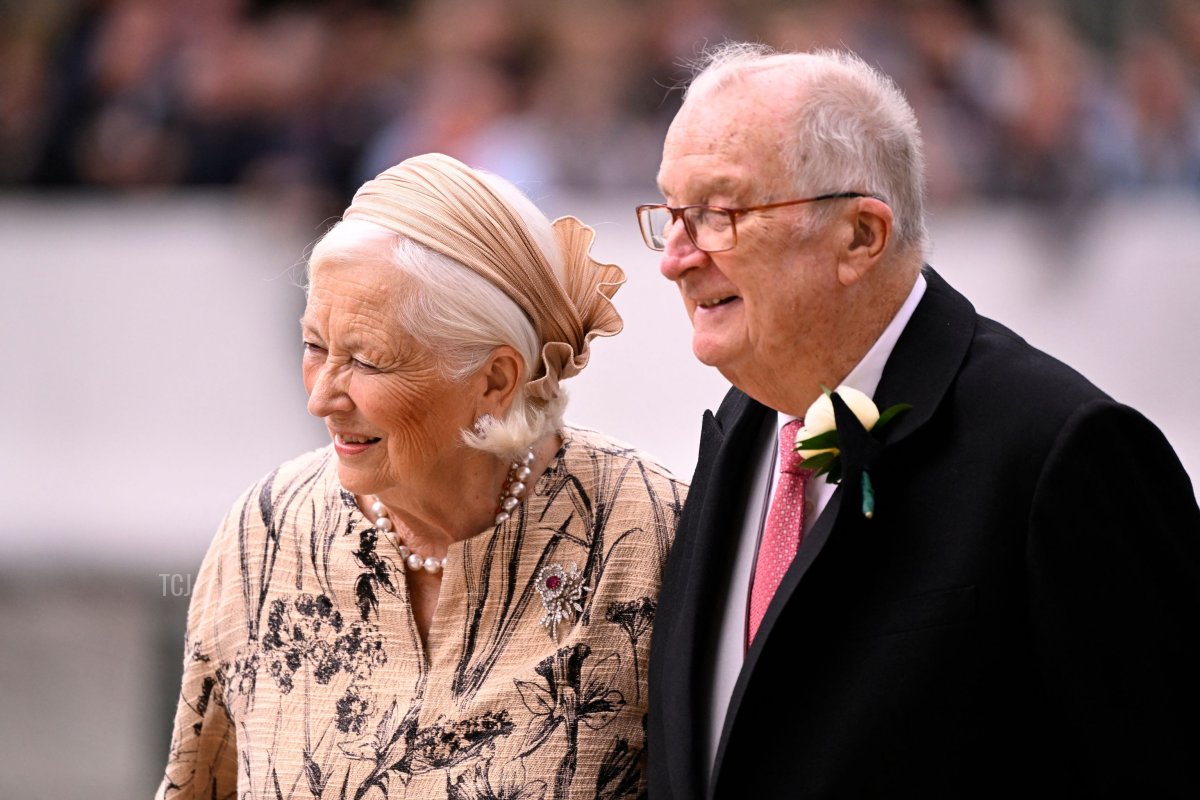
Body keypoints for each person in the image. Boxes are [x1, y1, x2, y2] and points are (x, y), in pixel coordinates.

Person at [640, 43, 1200, 798]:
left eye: (718, 214)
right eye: (673, 214)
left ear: (860, 237)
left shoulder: (1061, 453)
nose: (676, 259)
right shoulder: (741, 431)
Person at [158, 153, 685, 799]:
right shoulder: (267, 529)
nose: (321, 399)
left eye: (368, 361)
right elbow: (198, 783)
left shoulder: (647, 533)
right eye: (314, 346)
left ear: (495, 380)